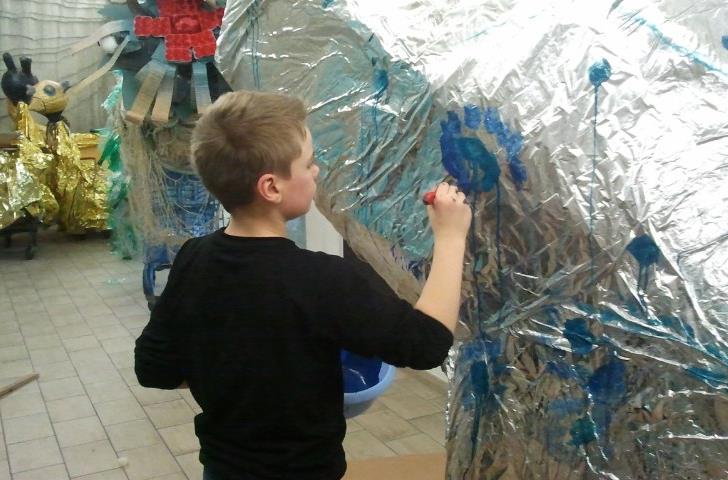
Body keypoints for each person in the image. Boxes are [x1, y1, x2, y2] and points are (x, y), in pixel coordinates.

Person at [134, 90, 471, 479]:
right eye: (308, 163)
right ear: (271, 187)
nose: (316, 171)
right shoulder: (323, 280)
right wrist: (451, 237)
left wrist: (234, 379)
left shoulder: (194, 258)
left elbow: (153, 369)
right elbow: (427, 343)